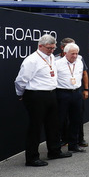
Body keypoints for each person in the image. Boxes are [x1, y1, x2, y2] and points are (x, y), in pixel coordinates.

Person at [14, 34, 72, 166]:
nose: (51, 50)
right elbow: (21, 80)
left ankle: (54, 151)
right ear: (40, 46)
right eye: (49, 48)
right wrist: (20, 94)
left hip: (51, 94)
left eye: (53, 48)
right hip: (36, 95)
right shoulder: (31, 60)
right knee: (35, 127)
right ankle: (32, 157)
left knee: (53, 125)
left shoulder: (51, 57)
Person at [55, 43, 87, 153]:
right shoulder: (57, 63)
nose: (75, 56)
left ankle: (73, 145)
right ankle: (55, 148)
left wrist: (85, 90)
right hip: (62, 93)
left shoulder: (79, 62)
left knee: (76, 120)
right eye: (72, 53)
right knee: (60, 121)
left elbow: (82, 76)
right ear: (65, 53)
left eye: (76, 53)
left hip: (76, 93)